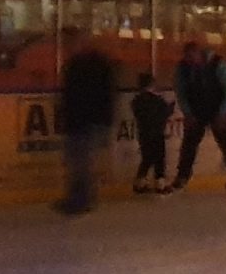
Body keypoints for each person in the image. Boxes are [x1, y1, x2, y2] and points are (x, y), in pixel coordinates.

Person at [170, 40, 226, 190]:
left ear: (199, 54)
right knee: (189, 144)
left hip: (218, 107)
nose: (189, 61)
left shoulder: (219, 66)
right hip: (196, 109)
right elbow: (181, 92)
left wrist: (222, 113)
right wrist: (188, 113)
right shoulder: (183, 69)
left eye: (192, 57)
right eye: (187, 58)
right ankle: (183, 176)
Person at [55, 38, 117, 216]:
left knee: (82, 162)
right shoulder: (76, 64)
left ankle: (82, 199)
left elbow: (104, 95)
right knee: (77, 162)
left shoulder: (94, 66)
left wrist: (103, 120)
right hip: (77, 120)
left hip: (86, 120)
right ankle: (79, 197)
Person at [130, 70, 171, 195]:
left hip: (144, 133)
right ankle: (160, 183)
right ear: (152, 84)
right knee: (159, 158)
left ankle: (140, 182)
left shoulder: (136, 101)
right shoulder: (158, 100)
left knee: (147, 158)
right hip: (157, 133)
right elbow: (166, 112)